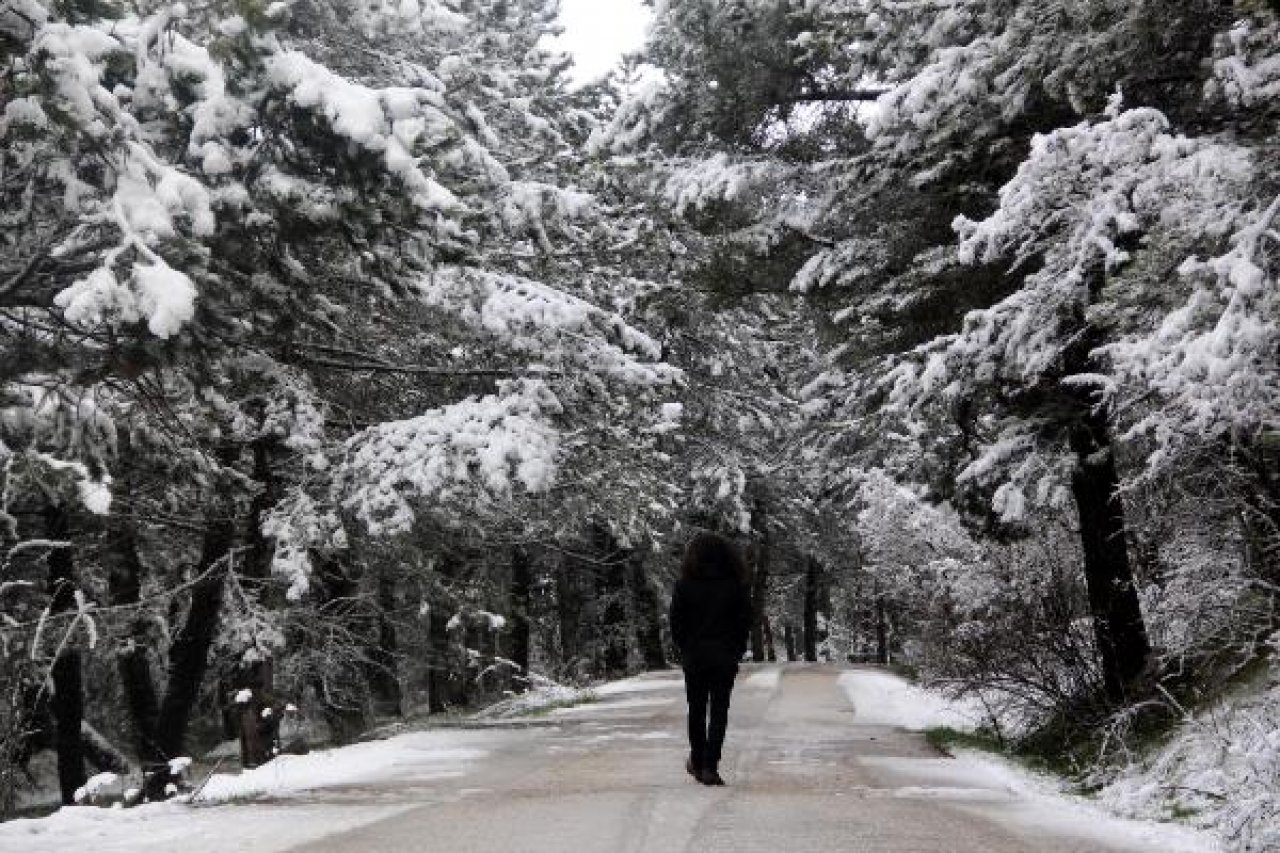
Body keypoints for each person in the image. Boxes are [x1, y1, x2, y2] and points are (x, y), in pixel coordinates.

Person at [668, 532, 752, 786]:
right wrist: (735, 650)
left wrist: (686, 648)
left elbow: (676, 623)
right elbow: (744, 622)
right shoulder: (735, 585)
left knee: (696, 709)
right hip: (724, 656)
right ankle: (710, 765)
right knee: (719, 711)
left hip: (695, 656)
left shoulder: (684, 585)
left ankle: (697, 758)